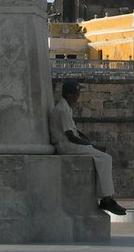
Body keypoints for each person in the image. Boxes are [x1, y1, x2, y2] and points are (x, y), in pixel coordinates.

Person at [47, 79, 127, 216]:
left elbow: (74, 133)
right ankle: (107, 199)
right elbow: (70, 136)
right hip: (66, 146)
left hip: (69, 144)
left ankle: (107, 198)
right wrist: (91, 146)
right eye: (77, 93)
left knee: (102, 156)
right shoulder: (62, 110)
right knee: (105, 158)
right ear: (70, 94)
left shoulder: (65, 108)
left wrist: (88, 143)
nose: (79, 96)